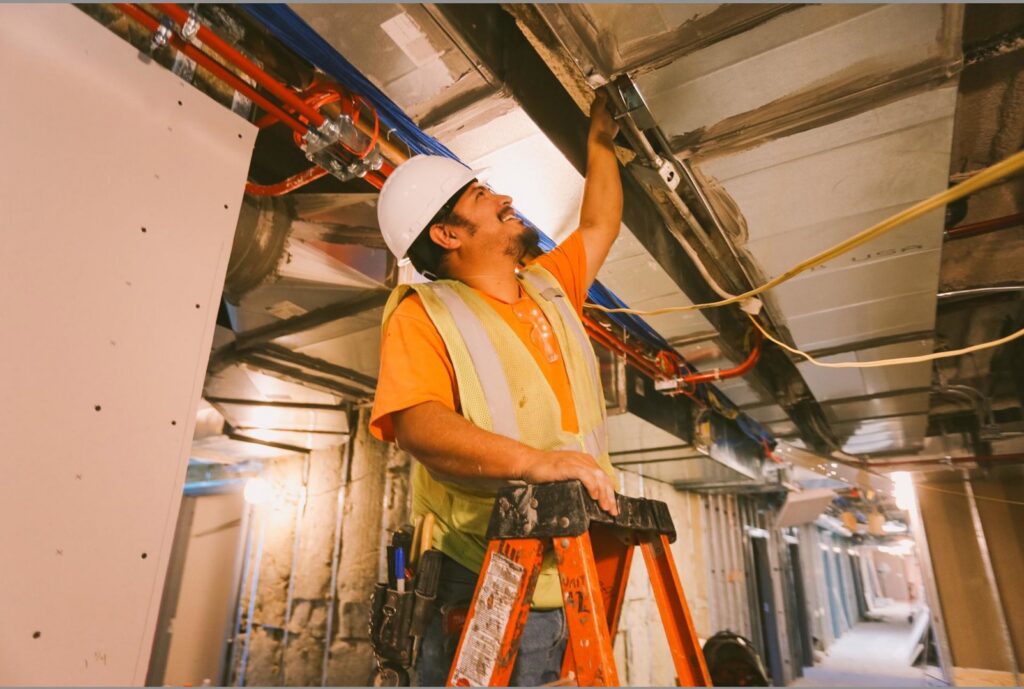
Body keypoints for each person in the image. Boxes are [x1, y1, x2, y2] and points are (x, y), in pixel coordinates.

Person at [370, 91, 623, 686]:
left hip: (565, 559)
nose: (506, 199)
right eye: (483, 198)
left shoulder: (548, 288)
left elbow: (600, 223)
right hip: (484, 571)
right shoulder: (422, 313)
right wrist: (537, 464)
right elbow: (419, 426)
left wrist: (601, 142)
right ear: (448, 235)